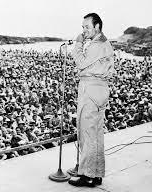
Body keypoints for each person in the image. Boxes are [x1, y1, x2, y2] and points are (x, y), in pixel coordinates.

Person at [68, 13, 114, 187]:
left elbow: (80, 62)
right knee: (96, 134)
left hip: (91, 89)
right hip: (100, 88)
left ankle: (87, 175)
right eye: (82, 27)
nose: (84, 31)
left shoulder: (97, 45)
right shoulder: (103, 43)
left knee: (87, 133)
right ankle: (96, 173)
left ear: (97, 27)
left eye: (87, 27)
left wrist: (78, 44)